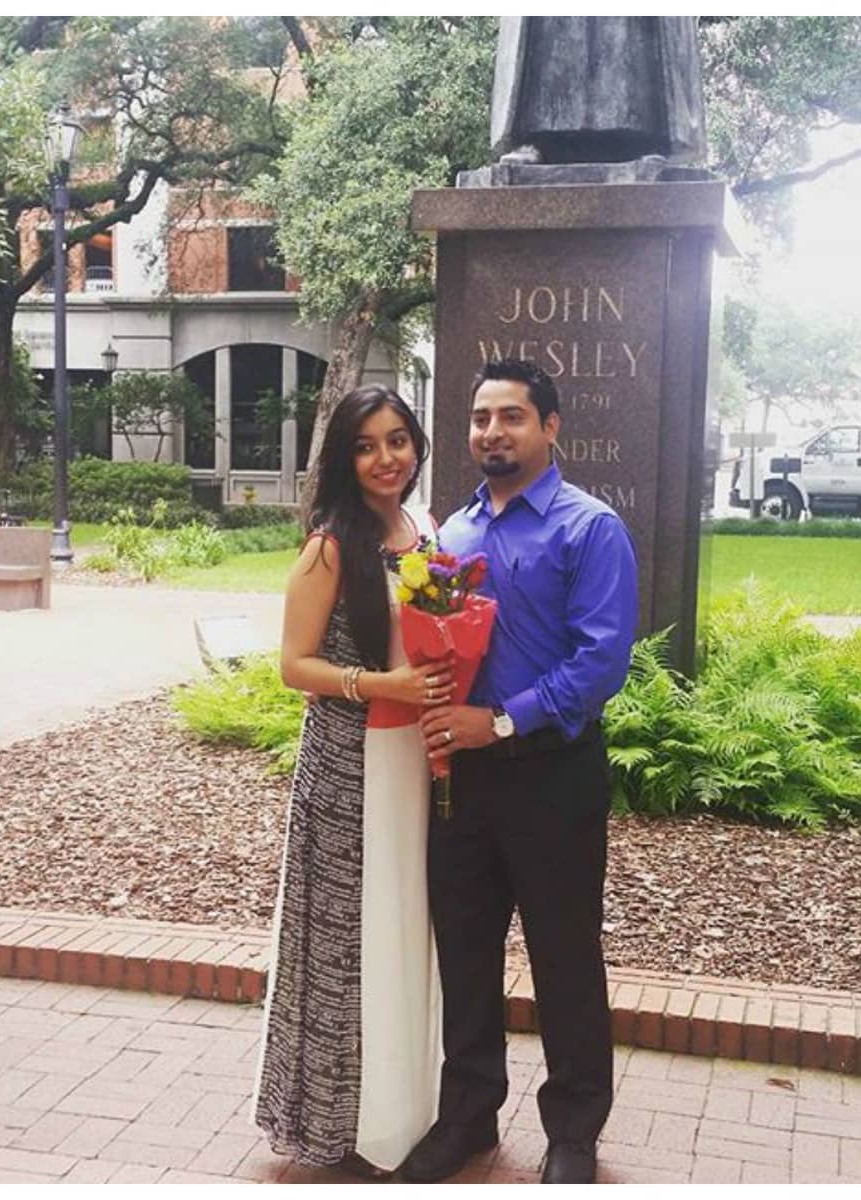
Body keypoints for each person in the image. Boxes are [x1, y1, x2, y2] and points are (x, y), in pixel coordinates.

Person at [399, 358, 638, 1186]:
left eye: (511, 417)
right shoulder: (450, 537)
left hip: (552, 775)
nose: (491, 432)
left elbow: (602, 661)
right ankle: (467, 1115)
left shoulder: (589, 528)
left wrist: (499, 719)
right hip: (460, 782)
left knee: (564, 955)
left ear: (551, 427)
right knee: (463, 953)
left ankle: (573, 1132)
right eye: (479, 418)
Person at [254, 384, 454, 1175]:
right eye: (366, 445)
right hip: (348, 763)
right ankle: (341, 1120)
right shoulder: (330, 546)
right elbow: (292, 666)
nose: (385, 459)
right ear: (345, 456)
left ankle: (409, 1108)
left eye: (397, 440)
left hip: (418, 758)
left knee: (407, 925)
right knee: (345, 940)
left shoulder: (427, 530)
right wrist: (379, 686)